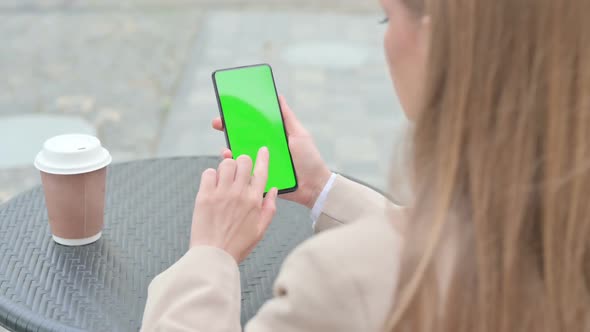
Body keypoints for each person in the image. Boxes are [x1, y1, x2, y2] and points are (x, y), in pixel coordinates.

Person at [142, 0, 590, 330]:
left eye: (386, 17)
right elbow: (449, 245)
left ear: (438, 37)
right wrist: (321, 188)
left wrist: (209, 256)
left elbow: (405, 266)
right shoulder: (562, 226)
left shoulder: (337, 281)